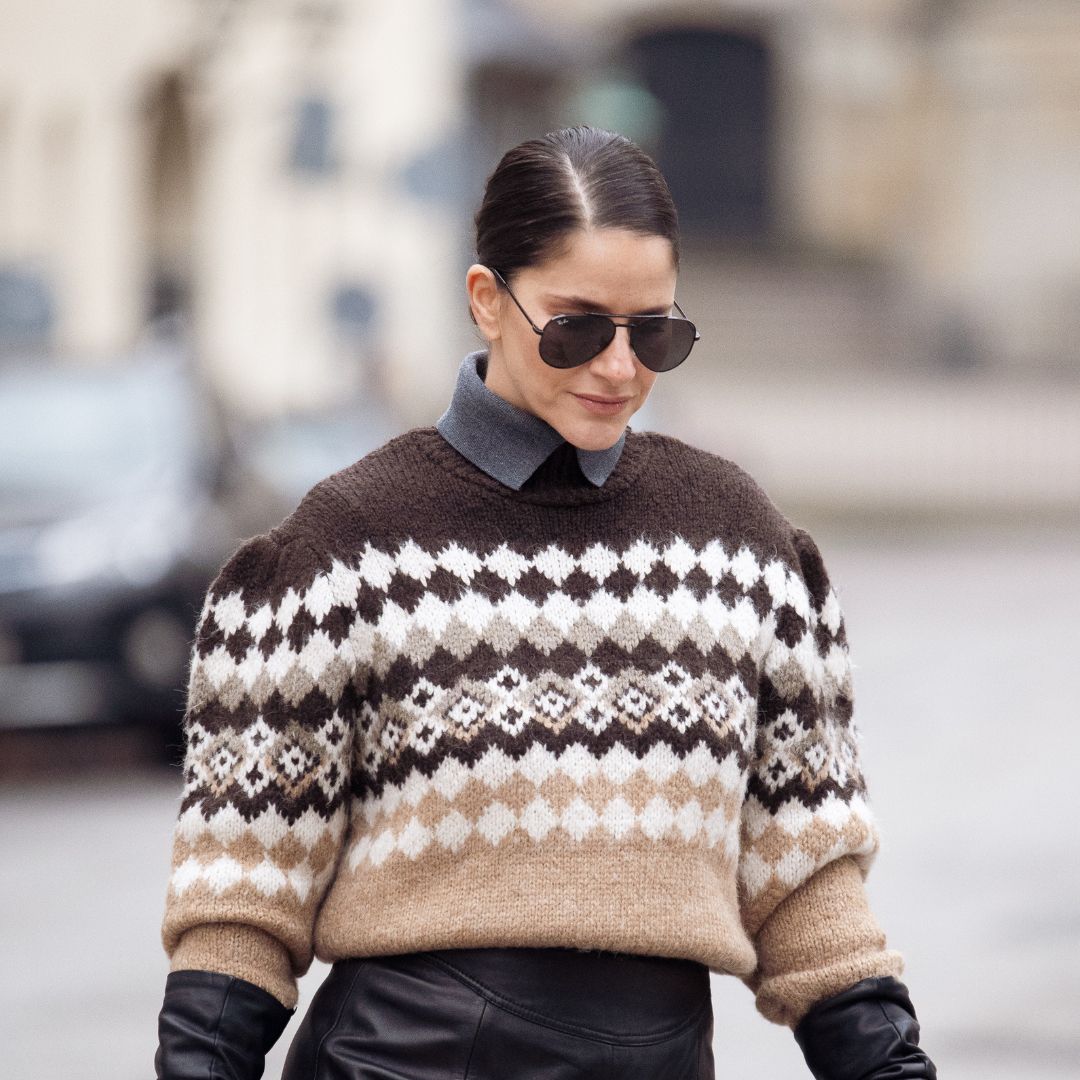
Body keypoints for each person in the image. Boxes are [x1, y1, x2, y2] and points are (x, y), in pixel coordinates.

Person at [154, 124, 937, 1080]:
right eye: (575, 327)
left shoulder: (743, 548)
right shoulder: (346, 550)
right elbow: (245, 901)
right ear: (487, 300)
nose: (618, 368)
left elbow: (807, 883)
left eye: (655, 331)